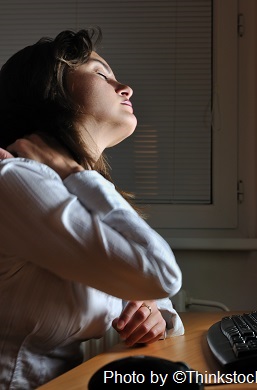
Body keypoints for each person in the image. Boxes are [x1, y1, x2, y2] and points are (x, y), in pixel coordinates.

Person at [0, 28, 184, 389]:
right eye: (101, 73)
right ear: (50, 93)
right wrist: (73, 172)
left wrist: (156, 315)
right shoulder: (14, 181)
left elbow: (160, 295)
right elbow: (161, 272)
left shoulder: (76, 189)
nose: (125, 87)